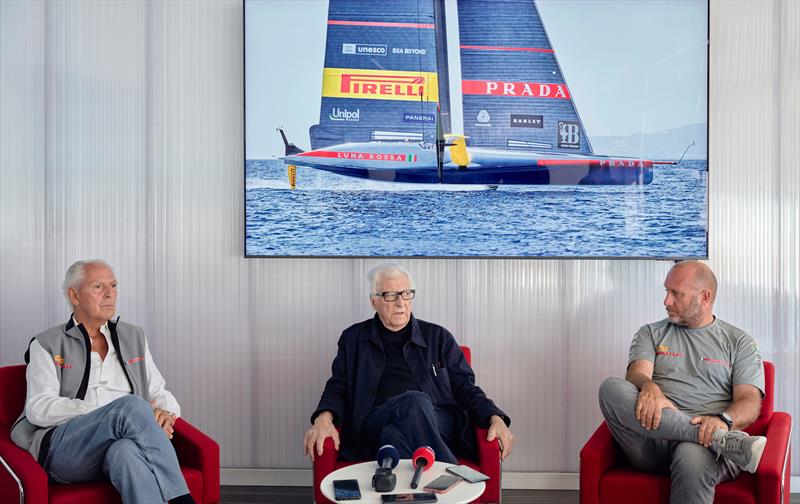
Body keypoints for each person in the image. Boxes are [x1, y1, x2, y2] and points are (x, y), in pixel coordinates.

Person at [11, 260, 194, 504]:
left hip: (120, 445)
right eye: (98, 286)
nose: (110, 294)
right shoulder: (46, 343)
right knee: (131, 406)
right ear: (74, 295)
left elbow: (158, 391)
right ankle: (183, 499)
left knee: (126, 453)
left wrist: (166, 414)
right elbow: (38, 408)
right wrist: (112, 413)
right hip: (66, 452)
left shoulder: (134, 336)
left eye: (114, 285)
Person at [304, 263, 515, 464]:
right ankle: (449, 472)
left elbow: (466, 388)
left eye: (406, 293)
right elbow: (338, 385)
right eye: (390, 295)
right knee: (413, 401)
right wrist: (323, 418)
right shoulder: (353, 339)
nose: (400, 302)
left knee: (393, 435)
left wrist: (494, 416)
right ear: (373, 301)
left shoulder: (438, 337)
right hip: (374, 419)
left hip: (437, 421)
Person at [598, 260, 767, 504]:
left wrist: (723, 421)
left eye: (676, 293)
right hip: (653, 441)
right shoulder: (650, 333)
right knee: (610, 388)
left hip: (708, 449)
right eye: (666, 291)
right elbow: (637, 374)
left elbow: (750, 403)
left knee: (691, 454)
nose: (666, 301)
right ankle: (717, 439)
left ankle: (713, 437)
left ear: (704, 297)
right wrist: (649, 386)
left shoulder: (739, 342)